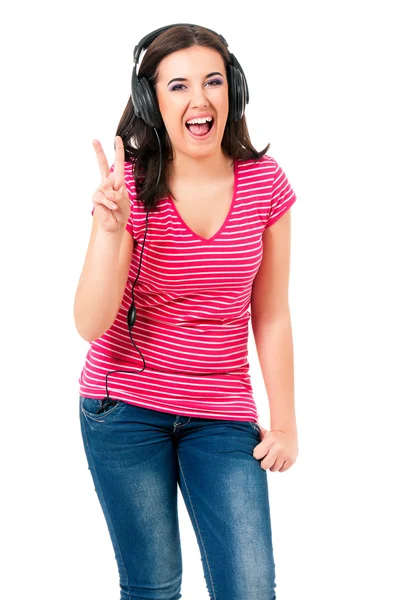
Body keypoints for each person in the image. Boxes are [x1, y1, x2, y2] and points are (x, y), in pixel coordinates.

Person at [74, 23, 298, 600]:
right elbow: (89, 325)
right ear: (152, 100)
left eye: (213, 82)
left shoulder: (265, 185)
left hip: (221, 412)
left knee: (248, 588)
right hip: (123, 409)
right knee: (153, 586)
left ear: (234, 92)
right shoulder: (130, 187)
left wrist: (286, 421)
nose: (199, 100)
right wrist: (108, 230)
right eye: (177, 86)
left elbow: (270, 313)